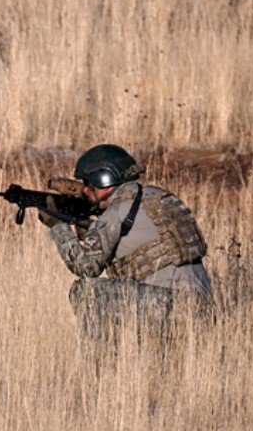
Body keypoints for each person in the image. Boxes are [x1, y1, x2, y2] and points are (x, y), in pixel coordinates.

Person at [47, 144, 213, 345]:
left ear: (104, 181)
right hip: (202, 307)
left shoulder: (118, 210)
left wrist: (57, 225)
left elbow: (85, 266)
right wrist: (84, 223)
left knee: (86, 292)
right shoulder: (157, 196)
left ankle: (101, 369)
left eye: (88, 184)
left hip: (172, 306)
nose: (85, 190)